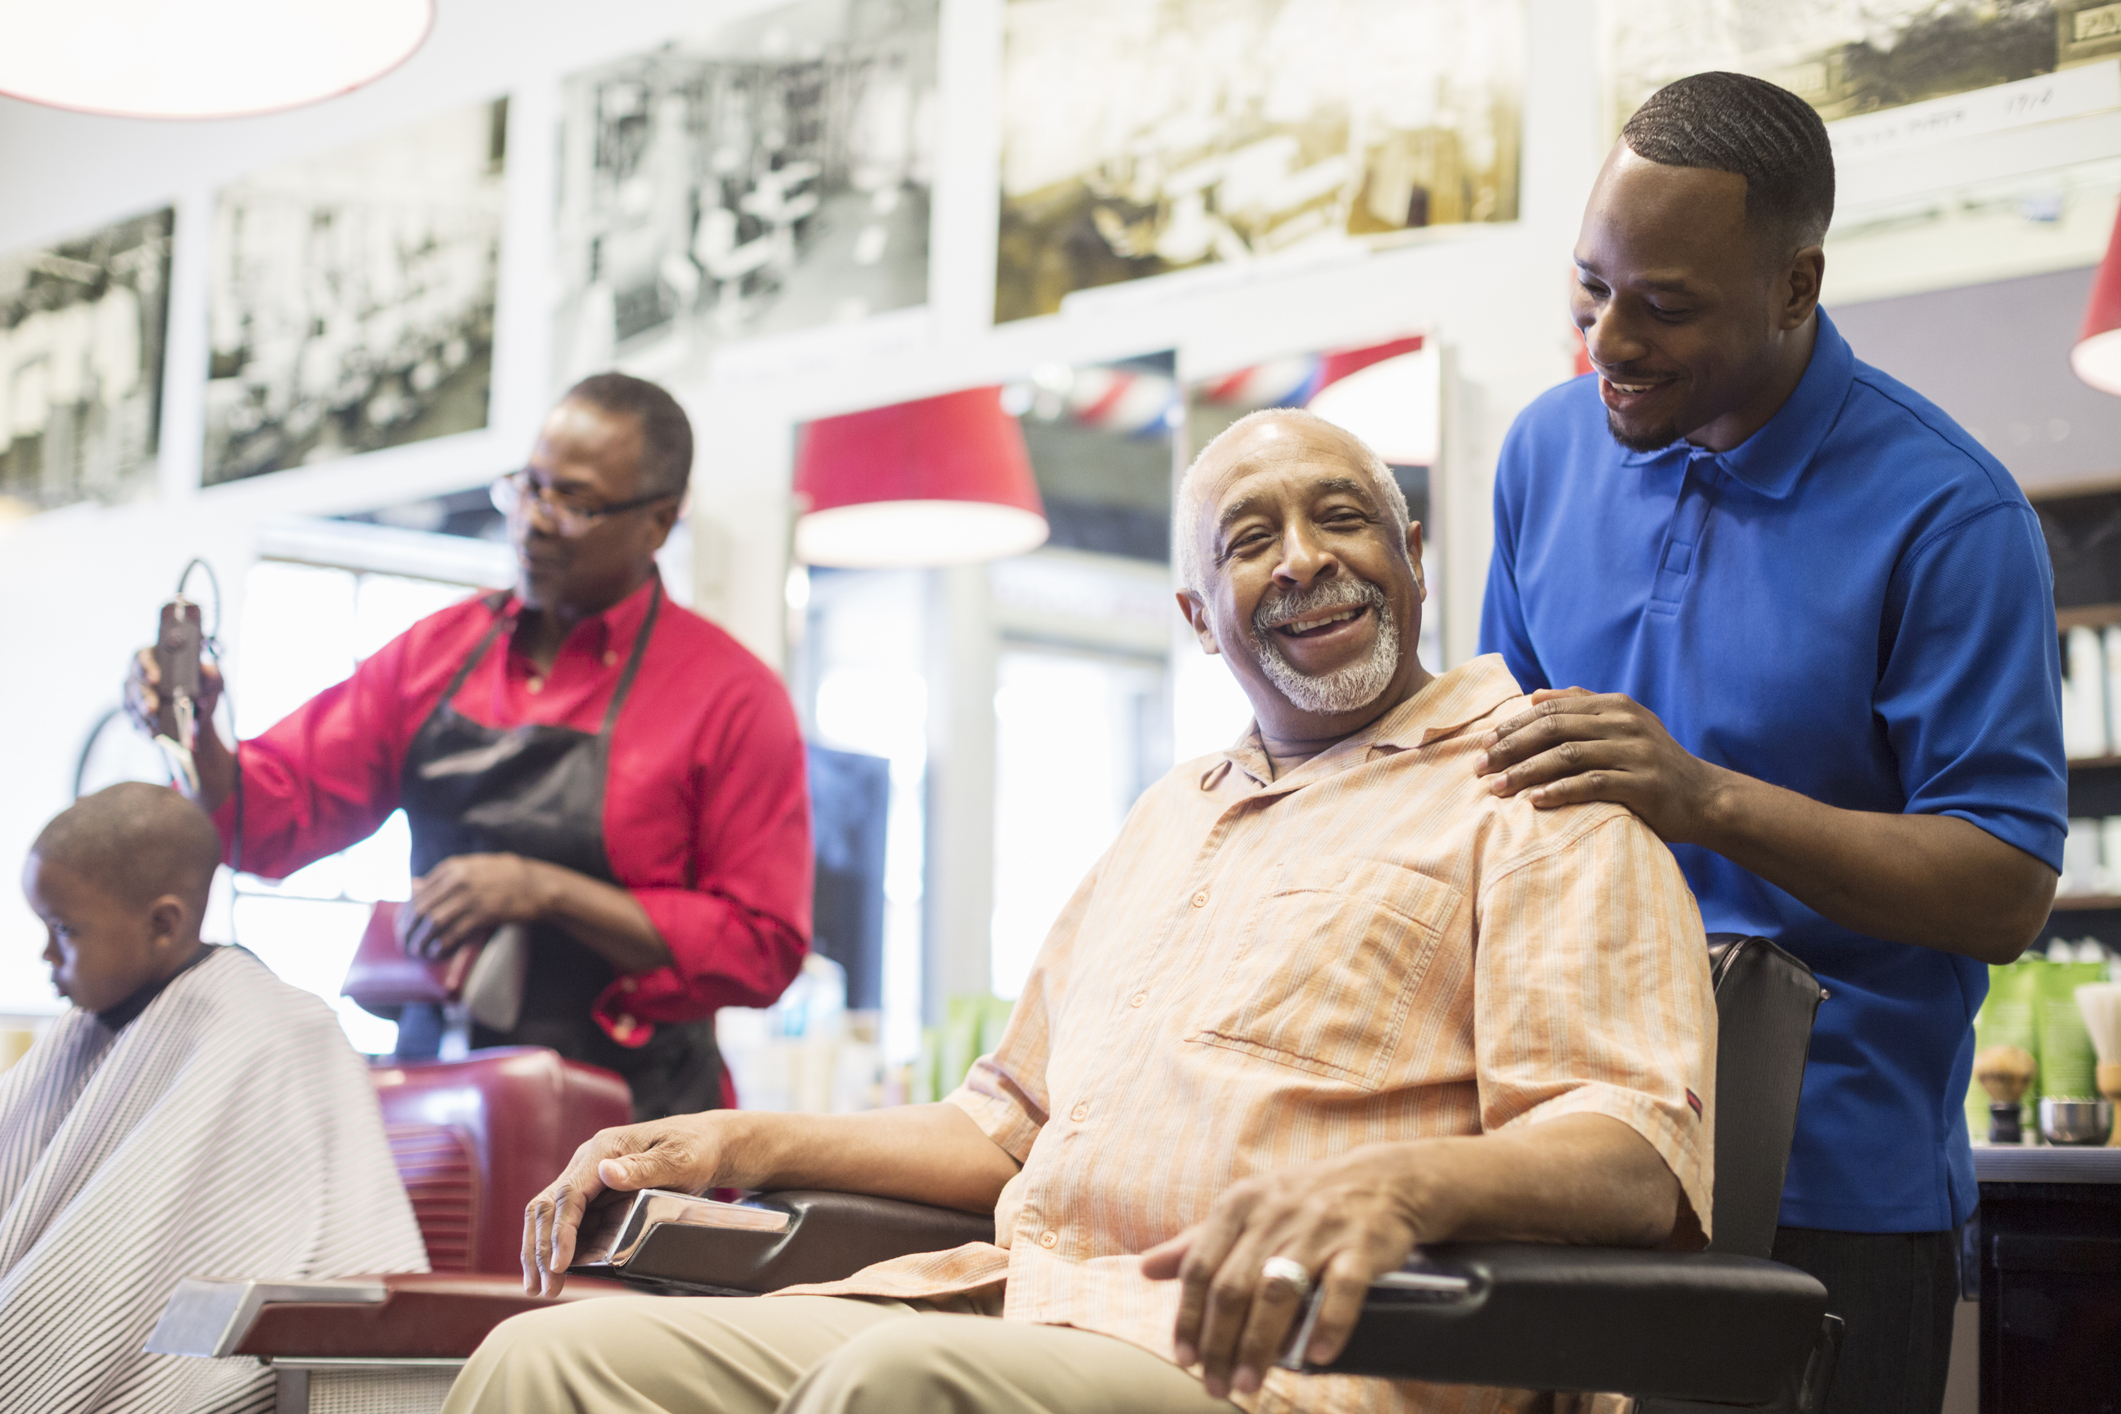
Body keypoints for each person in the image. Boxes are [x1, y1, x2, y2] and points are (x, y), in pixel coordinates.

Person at [441, 409, 1717, 1414]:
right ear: (1197, 621)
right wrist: (734, 1141)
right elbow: (1005, 1125)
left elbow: (1633, 1153)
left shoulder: (1539, 792)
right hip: (1014, 1306)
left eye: (1342, 518)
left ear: (1415, 558)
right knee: (546, 1368)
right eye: (1249, 539)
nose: (1306, 558)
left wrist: (1397, 1186)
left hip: (1289, 1364)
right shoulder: (1172, 815)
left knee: (896, 1392)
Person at [1477, 72, 2065, 1414]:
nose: (1608, 340)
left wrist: (1706, 799)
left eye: (1664, 304)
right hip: (1575, 1150)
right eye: (1590, 287)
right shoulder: (1544, 455)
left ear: (1795, 287)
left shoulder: (1948, 515)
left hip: (1835, 1193)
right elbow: (1497, 787)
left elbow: (2004, 885)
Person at [127, 373, 812, 1121]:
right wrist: (197, 740)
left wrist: (544, 890)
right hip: (439, 1103)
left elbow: (762, 946)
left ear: (659, 522)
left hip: (638, 1121)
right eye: (528, 488)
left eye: (574, 504)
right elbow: (267, 818)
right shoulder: (436, 655)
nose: (536, 522)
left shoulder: (730, 696)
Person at [0, 783, 425, 1414]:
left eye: (64, 930)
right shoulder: (88, 1025)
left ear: (164, 924)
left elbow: (131, 1254)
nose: (44, 955)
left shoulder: (271, 1029)